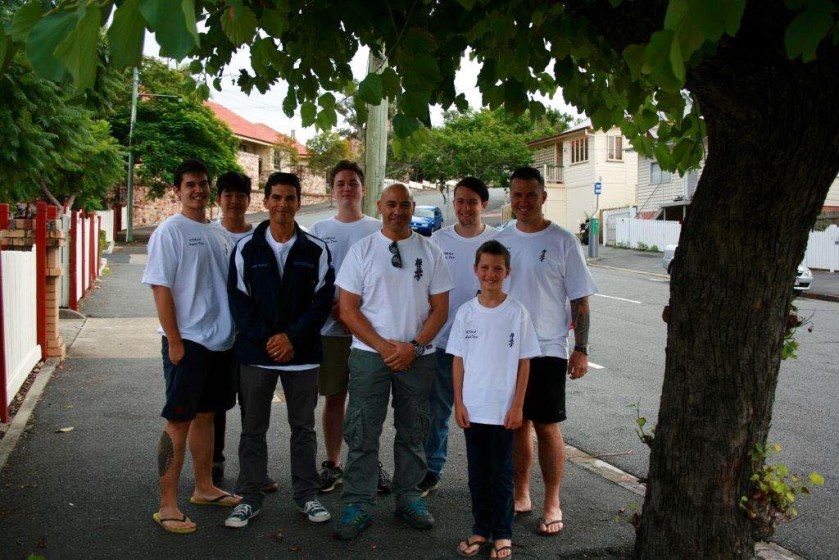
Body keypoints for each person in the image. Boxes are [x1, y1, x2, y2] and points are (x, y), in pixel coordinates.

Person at [333, 183, 453, 540]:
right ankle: (358, 502)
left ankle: (409, 497)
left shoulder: (430, 251)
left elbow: (441, 309)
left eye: (404, 204)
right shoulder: (362, 250)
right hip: (370, 356)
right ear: (379, 206)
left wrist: (413, 346)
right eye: (391, 204)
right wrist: (385, 347)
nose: (397, 210)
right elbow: (347, 310)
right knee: (362, 431)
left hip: (418, 358)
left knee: (414, 431)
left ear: (413, 207)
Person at [225, 172, 335, 528]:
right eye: (276, 197)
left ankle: (306, 495)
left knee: (303, 428)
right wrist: (269, 340)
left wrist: (291, 338)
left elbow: (321, 303)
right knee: (252, 428)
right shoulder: (246, 248)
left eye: (290, 198)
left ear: (299, 203)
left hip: (302, 357)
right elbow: (239, 302)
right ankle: (249, 497)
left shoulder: (316, 249)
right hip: (257, 355)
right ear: (266, 202)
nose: (283, 205)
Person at [494, 166, 597, 537]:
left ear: (543, 197)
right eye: (517, 195)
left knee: (547, 424)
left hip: (548, 347)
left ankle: (553, 501)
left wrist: (581, 349)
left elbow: (580, 302)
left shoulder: (563, 241)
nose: (523, 202)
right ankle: (522, 494)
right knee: (516, 423)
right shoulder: (501, 239)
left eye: (530, 195)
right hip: (506, 348)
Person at [142, 159, 240, 534]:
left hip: (221, 342)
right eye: (189, 185)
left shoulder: (217, 233)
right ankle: (167, 505)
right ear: (177, 191)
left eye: (201, 183)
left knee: (207, 415)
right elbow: (160, 287)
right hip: (189, 342)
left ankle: (204, 488)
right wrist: (175, 341)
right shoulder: (170, 231)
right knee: (178, 421)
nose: (197, 190)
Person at [449, 240, 541, 559]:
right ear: (475, 270)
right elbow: (458, 360)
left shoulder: (517, 313)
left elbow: (524, 361)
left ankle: (502, 534)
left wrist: (517, 405)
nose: (491, 274)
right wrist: (459, 402)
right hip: (473, 410)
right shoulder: (465, 313)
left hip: (504, 411)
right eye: (485, 268)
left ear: (507, 272)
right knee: (477, 473)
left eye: (497, 269)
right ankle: (480, 529)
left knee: (502, 473)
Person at [308, 161, 392, 495]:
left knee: (368, 401)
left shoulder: (377, 228)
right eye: (340, 183)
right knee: (334, 398)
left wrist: (356, 314)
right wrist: (334, 309)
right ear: (332, 190)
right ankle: (333, 463)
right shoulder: (318, 229)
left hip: (369, 331)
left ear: (362, 189)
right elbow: (313, 279)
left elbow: (386, 278)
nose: (347, 188)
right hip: (330, 330)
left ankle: (368, 463)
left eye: (353, 183)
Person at [422, 176, 497, 496]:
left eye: (472, 202)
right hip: (443, 342)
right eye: (460, 201)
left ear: (484, 205)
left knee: (483, 413)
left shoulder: (499, 241)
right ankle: (431, 470)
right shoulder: (437, 240)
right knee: (437, 411)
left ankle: (486, 474)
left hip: (485, 345)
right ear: (453, 205)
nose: (465, 207)